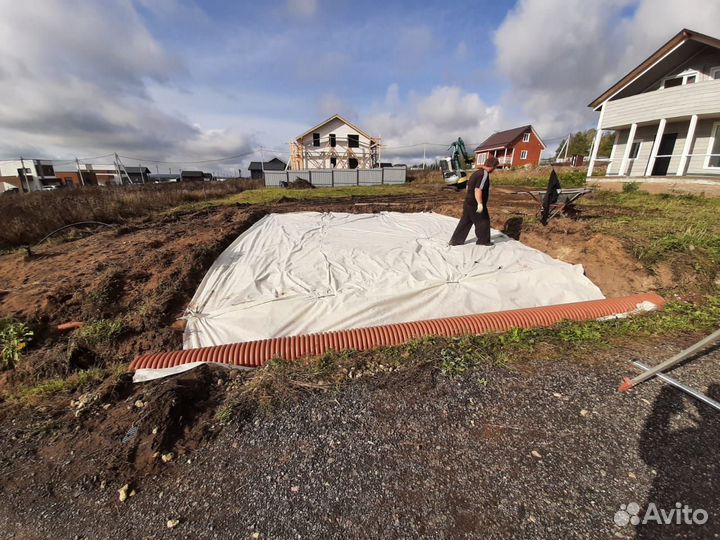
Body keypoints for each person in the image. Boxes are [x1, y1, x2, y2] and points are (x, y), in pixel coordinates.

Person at [448, 156, 499, 246]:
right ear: (492, 166)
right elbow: (478, 189)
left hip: (468, 201)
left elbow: (468, 187)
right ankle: (483, 241)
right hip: (475, 203)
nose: (494, 170)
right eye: (495, 168)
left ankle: (455, 241)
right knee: (483, 221)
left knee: (465, 221)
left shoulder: (476, 173)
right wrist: (480, 203)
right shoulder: (484, 174)